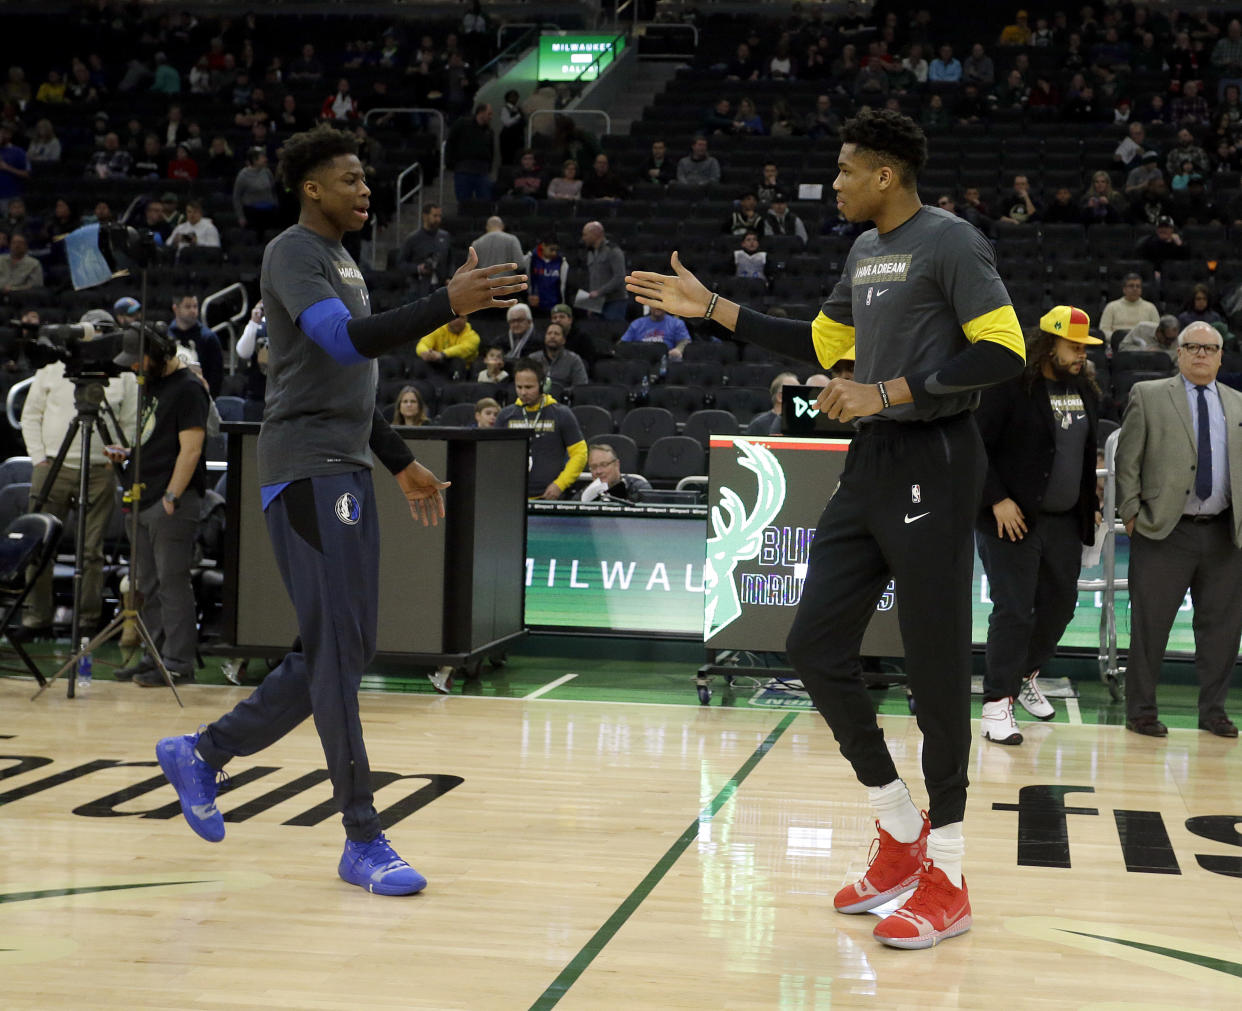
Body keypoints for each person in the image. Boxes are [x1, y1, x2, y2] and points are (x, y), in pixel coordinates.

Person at [626, 109, 1025, 949]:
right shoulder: (864, 251)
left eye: (845, 170)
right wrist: (716, 310)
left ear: (885, 174)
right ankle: (897, 824)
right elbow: (822, 341)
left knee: (936, 665)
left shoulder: (950, 241)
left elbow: (1004, 351)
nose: (834, 182)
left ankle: (948, 872)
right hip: (872, 462)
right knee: (812, 644)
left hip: (936, 457)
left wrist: (889, 392)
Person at [148, 124, 525, 896]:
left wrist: (400, 461)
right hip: (307, 472)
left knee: (341, 650)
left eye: (365, 178)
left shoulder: (344, 261)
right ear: (311, 187)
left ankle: (205, 752)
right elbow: (347, 344)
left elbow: (343, 385)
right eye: (350, 179)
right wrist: (442, 303)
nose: (365, 189)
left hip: (345, 467)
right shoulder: (294, 252)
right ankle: (362, 835)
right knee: (339, 656)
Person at [974, 307, 1102, 745]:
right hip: (1011, 517)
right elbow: (975, 445)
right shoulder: (1010, 386)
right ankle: (996, 704)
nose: (1080, 355)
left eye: (1084, 348)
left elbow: (1083, 455)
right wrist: (997, 499)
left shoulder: (1084, 389)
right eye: (1074, 347)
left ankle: (1021, 675)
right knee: (1013, 608)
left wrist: (1090, 505)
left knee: (1062, 604)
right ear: (1049, 343)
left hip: (1064, 520)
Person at [1115, 322, 1242, 739]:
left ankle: (1214, 712)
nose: (1202, 354)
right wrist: (1131, 514)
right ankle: (1142, 712)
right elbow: (1127, 462)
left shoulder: (1239, 404)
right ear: (1179, 353)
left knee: (1222, 631)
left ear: (1222, 356)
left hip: (1225, 534)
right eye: (1193, 347)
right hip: (1163, 532)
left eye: (1210, 348)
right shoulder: (1149, 396)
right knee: (1150, 627)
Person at [18, 317, 139, 638]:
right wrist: (39, 459)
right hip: (53, 468)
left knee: (91, 550)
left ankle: (87, 620)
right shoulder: (54, 365)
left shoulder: (121, 373)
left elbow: (129, 423)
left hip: (100, 470)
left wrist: (118, 457)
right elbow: (30, 415)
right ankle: (35, 618)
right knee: (38, 547)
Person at [104, 323, 210, 686]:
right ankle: (154, 657)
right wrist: (129, 457)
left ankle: (178, 662)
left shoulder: (189, 390)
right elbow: (156, 437)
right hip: (145, 495)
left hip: (171, 502)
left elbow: (191, 449)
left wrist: (172, 497)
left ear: (158, 353)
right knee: (146, 584)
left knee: (172, 583)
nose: (134, 367)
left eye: (138, 360)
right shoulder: (154, 384)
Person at [496, 357, 586, 499]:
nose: (523, 392)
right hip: (513, 496)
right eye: (519, 387)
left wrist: (560, 484)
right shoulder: (505, 416)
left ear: (543, 385)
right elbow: (495, 455)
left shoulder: (561, 414)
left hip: (550, 496)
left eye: (529, 387)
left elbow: (580, 453)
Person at [166, 293, 224, 398]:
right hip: (171, 396)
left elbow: (216, 376)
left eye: (195, 306)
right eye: (188, 307)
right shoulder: (166, 336)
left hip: (199, 398)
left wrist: (208, 399)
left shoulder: (209, 337)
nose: (193, 310)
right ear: (176, 309)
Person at [398, 202, 451, 297]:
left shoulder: (445, 236)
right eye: (435, 216)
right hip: (419, 288)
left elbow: (450, 260)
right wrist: (418, 268)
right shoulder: (412, 239)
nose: (438, 219)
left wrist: (449, 277)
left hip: (441, 287)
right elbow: (401, 264)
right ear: (425, 216)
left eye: (440, 216)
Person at [445, 102, 495, 202]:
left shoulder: (489, 131)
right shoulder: (462, 124)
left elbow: (491, 150)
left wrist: (489, 165)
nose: (491, 117)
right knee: (464, 202)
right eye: (489, 114)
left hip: (482, 170)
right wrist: (450, 162)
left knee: (485, 202)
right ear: (481, 112)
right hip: (464, 169)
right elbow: (451, 142)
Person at [579, 221, 627, 321]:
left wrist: (599, 292)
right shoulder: (591, 253)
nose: (583, 238)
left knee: (613, 331)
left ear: (595, 234)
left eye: (585, 235)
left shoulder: (613, 251)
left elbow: (620, 277)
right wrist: (590, 303)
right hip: (597, 302)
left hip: (614, 301)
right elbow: (593, 279)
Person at [579, 443, 651, 502]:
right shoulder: (585, 494)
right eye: (594, 467)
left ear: (616, 464)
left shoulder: (638, 488)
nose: (598, 471)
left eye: (604, 465)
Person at [416, 315, 480, 380]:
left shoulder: (473, 336)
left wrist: (442, 354)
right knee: (419, 362)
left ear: (466, 318)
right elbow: (422, 344)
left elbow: (463, 349)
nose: (457, 320)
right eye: (455, 317)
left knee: (456, 362)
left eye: (461, 317)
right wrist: (426, 353)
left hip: (461, 372)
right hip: (435, 366)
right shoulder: (438, 329)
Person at [529, 320, 588, 390]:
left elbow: (581, 387)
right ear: (545, 338)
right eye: (549, 333)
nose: (552, 336)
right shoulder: (532, 359)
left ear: (564, 340)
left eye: (556, 334)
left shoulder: (574, 360)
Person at [233, 146, 279, 234]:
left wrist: (275, 205)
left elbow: (273, 190)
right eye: (263, 157)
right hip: (252, 214)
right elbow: (236, 197)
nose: (266, 159)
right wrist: (241, 217)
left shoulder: (267, 172)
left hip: (269, 212)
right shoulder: (243, 175)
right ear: (254, 160)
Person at [619, 305, 692, 360]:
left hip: (667, 359)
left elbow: (685, 341)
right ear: (649, 305)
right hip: (641, 360)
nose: (658, 307)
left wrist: (678, 349)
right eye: (655, 303)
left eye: (660, 303)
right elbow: (623, 343)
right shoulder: (637, 323)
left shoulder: (677, 323)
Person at [527, 237, 567, 315]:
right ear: (543, 246)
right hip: (535, 305)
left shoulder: (561, 261)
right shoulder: (531, 259)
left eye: (556, 250)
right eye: (551, 249)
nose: (554, 253)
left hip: (554, 305)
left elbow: (563, 285)